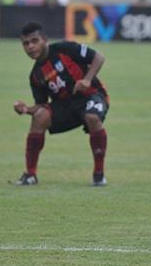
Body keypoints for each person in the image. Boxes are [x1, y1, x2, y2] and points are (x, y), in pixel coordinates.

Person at [12, 22, 110, 186]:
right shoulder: (36, 76)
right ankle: (30, 175)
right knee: (40, 116)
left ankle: (98, 175)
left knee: (92, 116)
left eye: (34, 41)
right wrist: (26, 109)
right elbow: (42, 106)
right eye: (26, 43)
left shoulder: (65, 48)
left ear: (44, 40)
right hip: (66, 107)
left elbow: (99, 57)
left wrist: (87, 79)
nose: (30, 47)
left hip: (92, 96)